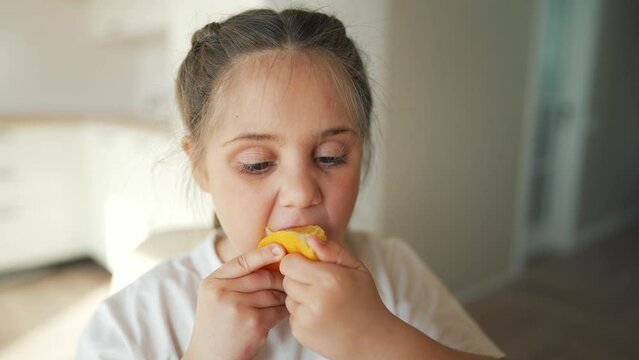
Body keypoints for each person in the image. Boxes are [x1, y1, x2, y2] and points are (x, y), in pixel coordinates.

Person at [77, 8, 506, 360]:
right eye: (257, 163)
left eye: (330, 157)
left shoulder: (394, 270)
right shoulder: (131, 323)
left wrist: (380, 340)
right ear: (201, 168)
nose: (302, 193)